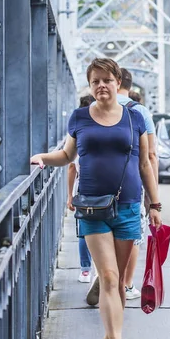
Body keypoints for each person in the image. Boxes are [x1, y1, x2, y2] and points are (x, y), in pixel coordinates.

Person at [31, 58, 162, 339]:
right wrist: (42, 159)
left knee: (117, 284)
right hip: (91, 207)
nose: (101, 85)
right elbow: (66, 155)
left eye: (107, 79)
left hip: (128, 206)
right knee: (107, 276)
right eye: (95, 81)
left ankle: (110, 335)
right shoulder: (79, 117)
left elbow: (145, 164)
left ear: (118, 83)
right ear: (90, 87)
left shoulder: (135, 118)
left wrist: (154, 205)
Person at [86, 69, 158, 304]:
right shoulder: (140, 112)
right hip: (129, 190)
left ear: (118, 83)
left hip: (94, 192)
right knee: (132, 236)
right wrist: (153, 198)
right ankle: (124, 283)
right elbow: (150, 157)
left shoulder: (92, 108)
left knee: (100, 231)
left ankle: (104, 274)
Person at [67, 94, 96, 283]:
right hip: (105, 191)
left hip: (82, 191)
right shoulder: (101, 131)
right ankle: (101, 269)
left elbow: (71, 166)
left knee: (84, 231)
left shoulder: (80, 133)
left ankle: (85, 270)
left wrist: (69, 196)